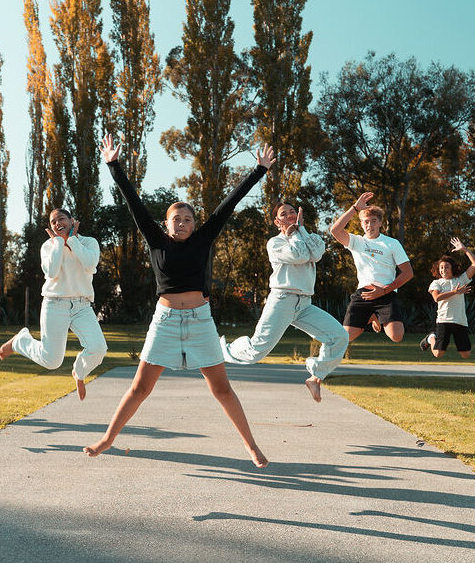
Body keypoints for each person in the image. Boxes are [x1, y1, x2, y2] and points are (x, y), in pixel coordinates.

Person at [84, 134, 274, 468]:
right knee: (140, 388)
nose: (183, 223)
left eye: (188, 219)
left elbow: (228, 205)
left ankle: (252, 446)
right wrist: (113, 165)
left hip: (201, 321)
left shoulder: (203, 240)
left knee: (222, 390)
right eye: (177, 219)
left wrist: (259, 171)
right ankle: (107, 439)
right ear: (166, 224)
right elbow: (133, 203)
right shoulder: (156, 241)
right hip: (166, 322)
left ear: (195, 224)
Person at [220, 203, 348, 402]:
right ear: (276, 221)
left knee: (339, 336)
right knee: (256, 351)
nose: (289, 215)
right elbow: (300, 255)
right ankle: (221, 350)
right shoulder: (275, 243)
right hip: (282, 300)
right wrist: (294, 234)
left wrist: (301, 230)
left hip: (304, 304)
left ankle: (316, 377)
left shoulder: (310, 237)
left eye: (292, 211)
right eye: (283, 213)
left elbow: (316, 254)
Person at [0, 209, 107, 400]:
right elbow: (51, 271)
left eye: (61, 219)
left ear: (72, 221)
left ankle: (79, 373)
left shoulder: (88, 242)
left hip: (82, 305)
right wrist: (58, 243)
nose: (57, 223)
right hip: (55, 304)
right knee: (51, 361)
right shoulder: (48, 246)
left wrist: (71, 240)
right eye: (53, 221)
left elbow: (90, 265)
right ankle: (20, 341)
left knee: (98, 348)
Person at [329, 192, 413, 342]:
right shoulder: (356, 242)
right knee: (344, 338)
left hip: (386, 293)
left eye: (373, 221)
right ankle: (371, 315)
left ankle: (375, 314)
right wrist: (355, 208)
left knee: (396, 336)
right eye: (366, 222)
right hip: (363, 294)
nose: (369, 225)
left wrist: (384, 290)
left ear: (380, 223)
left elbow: (408, 273)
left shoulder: (392, 243)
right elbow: (335, 230)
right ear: (361, 224)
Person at [419, 237, 475, 359]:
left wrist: (464, 249)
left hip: (460, 321)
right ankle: (431, 338)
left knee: (466, 355)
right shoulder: (436, 283)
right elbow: (436, 298)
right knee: (438, 354)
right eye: (441, 267)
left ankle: (433, 338)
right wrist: (455, 292)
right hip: (444, 321)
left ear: (452, 268)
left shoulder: (461, 280)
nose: (443, 269)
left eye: (446, 266)